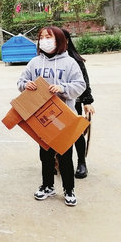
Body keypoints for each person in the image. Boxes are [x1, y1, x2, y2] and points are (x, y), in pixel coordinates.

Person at [17, 26, 86, 206]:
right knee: (45, 155)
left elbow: (80, 85)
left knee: (65, 155)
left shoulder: (70, 63)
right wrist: (26, 85)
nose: (44, 41)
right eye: (41, 37)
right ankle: (47, 186)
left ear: (59, 40)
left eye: (49, 37)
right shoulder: (34, 63)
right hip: (41, 118)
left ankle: (69, 189)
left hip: (63, 118)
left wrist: (63, 88)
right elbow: (21, 81)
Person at [62, 28, 95, 178]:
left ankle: (81, 162)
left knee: (76, 132)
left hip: (73, 102)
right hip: (53, 103)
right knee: (56, 132)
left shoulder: (74, 60)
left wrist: (87, 101)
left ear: (67, 41)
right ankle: (58, 161)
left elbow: (84, 82)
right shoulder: (47, 59)